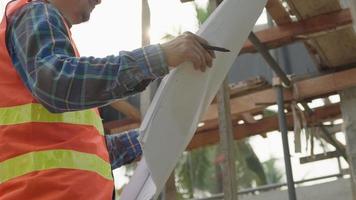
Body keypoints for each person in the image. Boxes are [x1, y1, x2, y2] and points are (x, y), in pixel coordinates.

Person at [0, 0, 215, 199]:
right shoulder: (35, 13)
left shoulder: (41, 37)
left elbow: (85, 153)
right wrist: (159, 58)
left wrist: (150, 137)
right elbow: (58, 83)